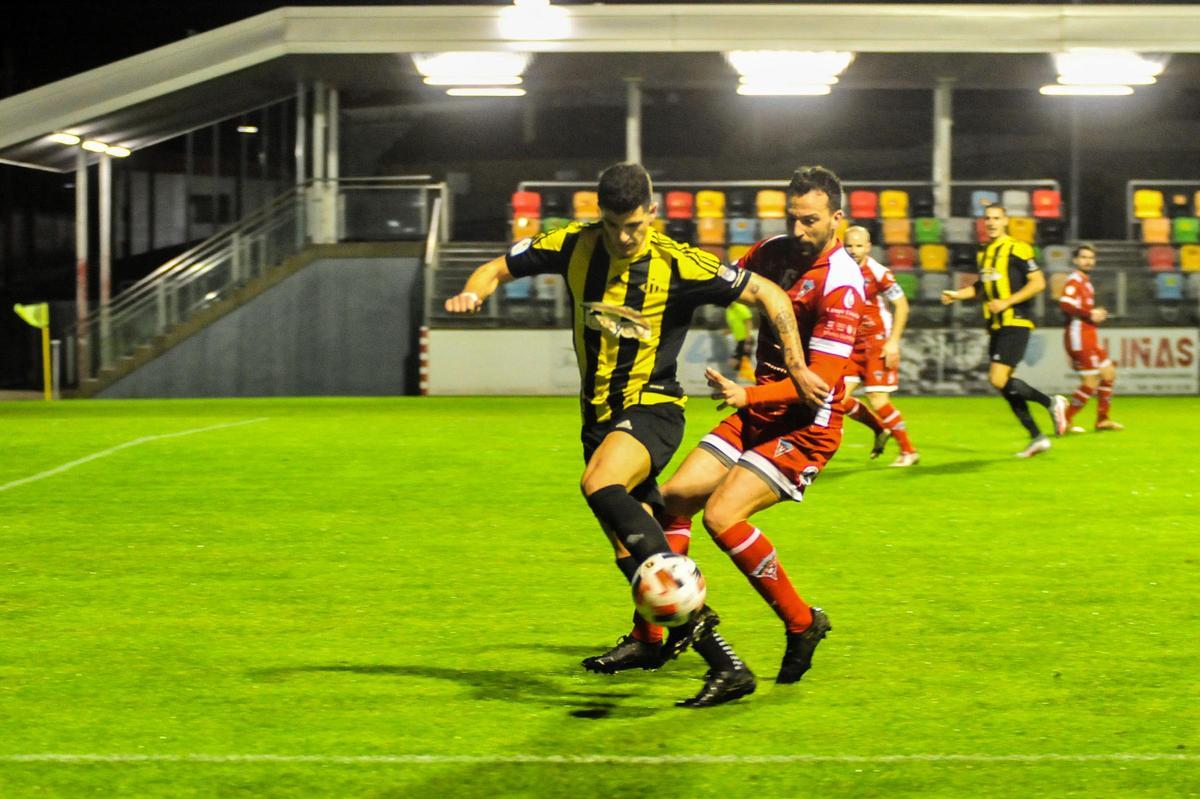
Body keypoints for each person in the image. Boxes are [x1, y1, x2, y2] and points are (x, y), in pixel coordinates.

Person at [444, 162, 827, 708]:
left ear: (653, 212)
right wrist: (473, 292)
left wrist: (795, 364)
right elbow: (496, 268)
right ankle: (722, 664)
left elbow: (770, 294)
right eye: (613, 225)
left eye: (635, 225)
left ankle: (699, 618)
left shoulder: (679, 262)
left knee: (599, 483)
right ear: (599, 216)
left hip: (654, 408)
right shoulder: (572, 244)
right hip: (598, 418)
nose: (625, 238)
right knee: (630, 549)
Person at [594, 165, 864, 686]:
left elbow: (820, 385)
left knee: (721, 516)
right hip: (758, 412)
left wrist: (748, 394)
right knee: (672, 501)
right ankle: (650, 637)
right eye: (792, 218)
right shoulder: (771, 253)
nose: (799, 229)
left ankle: (802, 622)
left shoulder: (842, 284)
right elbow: (709, 284)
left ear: (837, 218)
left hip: (806, 427)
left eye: (810, 220)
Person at [941, 204, 1069, 457]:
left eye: (996, 218)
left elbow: (1038, 283)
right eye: (987, 218)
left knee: (997, 379)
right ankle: (1037, 437)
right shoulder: (984, 252)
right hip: (996, 325)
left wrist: (1007, 302)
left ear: (1005, 221)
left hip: (1016, 322)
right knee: (1006, 386)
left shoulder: (1017, 248)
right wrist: (956, 295)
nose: (991, 222)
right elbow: (981, 288)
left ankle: (1052, 402)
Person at [839, 225, 919, 467]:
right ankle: (879, 429)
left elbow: (902, 306)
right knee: (837, 399)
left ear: (868, 247)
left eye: (859, 245)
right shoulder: (837, 270)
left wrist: (892, 342)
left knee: (878, 399)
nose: (854, 250)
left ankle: (908, 451)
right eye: (849, 245)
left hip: (876, 343)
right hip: (850, 344)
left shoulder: (879, 272)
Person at [1059, 243, 1123, 432]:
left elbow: (1081, 310)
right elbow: (1065, 304)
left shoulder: (1086, 282)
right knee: (1090, 382)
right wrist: (1090, 314)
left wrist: (1095, 314)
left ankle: (1102, 420)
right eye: (1083, 257)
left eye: (1090, 258)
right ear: (1075, 260)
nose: (1088, 261)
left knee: (1109, 373)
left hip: (1089, 336)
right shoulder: (1074, 281)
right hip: (1079, 338)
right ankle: (1064, 419)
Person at [725, 301, 757, 382]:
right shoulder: (728, 310)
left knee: (735, 362)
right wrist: (728, 331)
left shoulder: (740, 307)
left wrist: (748, 339)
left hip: (746, 340)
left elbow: (748, 322)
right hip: (739, 341)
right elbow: (734, 324)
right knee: (741, 363)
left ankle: (755, 381)